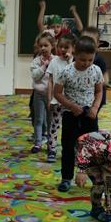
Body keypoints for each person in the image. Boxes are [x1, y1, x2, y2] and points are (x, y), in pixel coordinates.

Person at [54, 36, 103, 192]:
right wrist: (71, 106)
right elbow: (57, 93)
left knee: (92, 146)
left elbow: (99, 91)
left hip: (89, 114)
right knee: (68, 146)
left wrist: (95, 108)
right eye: (82, 60)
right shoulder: (66, 71)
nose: (86, 63)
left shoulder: (96, 70)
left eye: (90, 60)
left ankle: (93, 176)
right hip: (71, 114)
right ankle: (66, 178)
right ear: (74, 54)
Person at [46, 34, 74, 163]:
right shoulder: (54, 61)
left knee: (69, 128)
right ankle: (52, 149)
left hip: (69, 102)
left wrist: (69, 61)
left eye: (66, 47)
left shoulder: (74, 62)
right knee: (54, 125)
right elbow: (50, 81)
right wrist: (49, 99)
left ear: (72, 48)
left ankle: (68, 150)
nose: (63, 49)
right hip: (57, 101)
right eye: (60, 47)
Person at [30, 33, 54, 153]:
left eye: (46, 45)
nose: (43, 48)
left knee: (50, 121)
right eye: (41, 46)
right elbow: (35, 76)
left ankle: (50, 144)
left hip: (52, 96)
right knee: (38, 120)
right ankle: (38, 143)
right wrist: (44, 66)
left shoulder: (56, 60)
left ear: (52, 46)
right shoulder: (36, 61)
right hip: (38, 95)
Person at [81, 25, 109, 108]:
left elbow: (106, 80)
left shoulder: (98, 60)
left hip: (97, 97)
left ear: (97, 44)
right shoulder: (77, 58)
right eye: (85, 40)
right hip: (83, 97)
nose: (87, 44)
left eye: (91, 41)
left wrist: (92, 84)